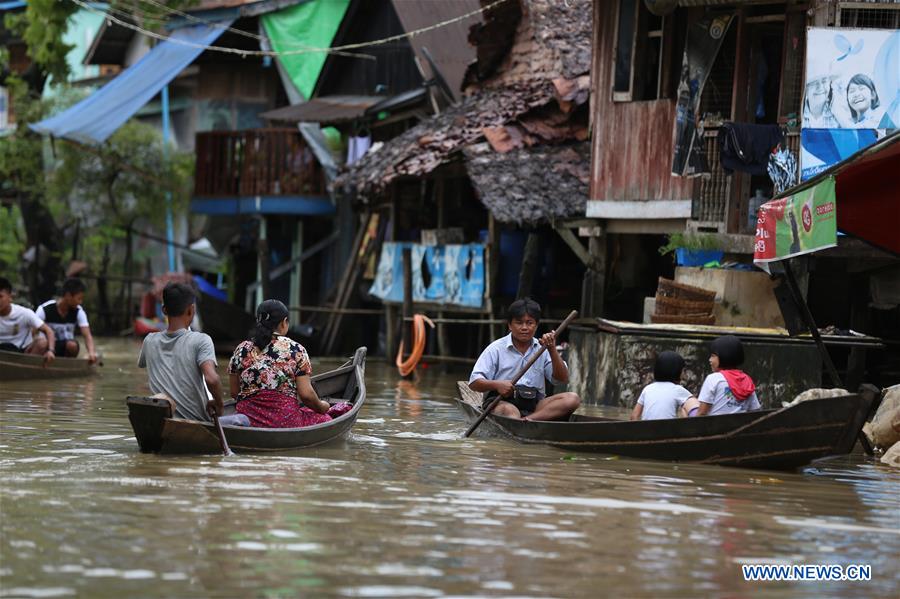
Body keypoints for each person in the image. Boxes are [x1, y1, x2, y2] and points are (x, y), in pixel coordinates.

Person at [228, 299, 351, 428]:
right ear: (284, 322)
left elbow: (234, 392)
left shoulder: (241, 349)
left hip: (248, 420)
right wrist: (322, 407)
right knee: (325, 419)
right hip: (284, 421)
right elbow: (306, 396)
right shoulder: (295, 349)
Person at [468, 298, 580, 421]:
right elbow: (474, 382)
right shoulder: (496, 348)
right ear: (510, 325)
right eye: (519, 323)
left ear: (536, 326)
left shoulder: (543, 348)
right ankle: (521, 422)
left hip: (534, 405)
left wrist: (552, 349)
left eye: (529, 323)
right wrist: (497, 384)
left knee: (572, 399)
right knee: (510, 412)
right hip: (501, 402)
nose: (524, 327)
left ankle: (528, 420)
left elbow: (562, 379)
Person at [138, 282, 225, 421]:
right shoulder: (202, 340)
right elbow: (212, 379)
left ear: (164, 310)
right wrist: (219, 405)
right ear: (191, 310)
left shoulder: (149, 341)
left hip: (162, 420)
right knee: (242, 420)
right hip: (197, 422)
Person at [684, 335, 760, 416]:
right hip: (740, 426)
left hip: (714, 427)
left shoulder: (713, 379)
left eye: (713, 356)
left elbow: (701, 413)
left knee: (686, 405)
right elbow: (755, 411)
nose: (710, 360)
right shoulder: (747, 380)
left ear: (724, 356)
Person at [35, 278, 98, 363]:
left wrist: (91, 352)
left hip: (66, 348)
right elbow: (32, 332)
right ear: (68, 296)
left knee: (72, 345)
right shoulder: (44, 309)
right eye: (79, 298)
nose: (80, 302)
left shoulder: (78, 311)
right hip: (46, 346)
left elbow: (87, 335)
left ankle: (66, 363)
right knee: (41, 343)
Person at [0, 276, 57, 364]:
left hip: (22, 352)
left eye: (0, 297)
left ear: (10, 297)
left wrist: (51, 351)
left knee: (42, 342)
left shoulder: (24, 313)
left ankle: (25, 368)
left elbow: (48, 331)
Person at [630, 351, 696, 421]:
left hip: (647, 430)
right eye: (683, 371)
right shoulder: (678, 390)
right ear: (676, 371)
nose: (683, 375)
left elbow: (634, 416)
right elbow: (696, 411)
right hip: (667, 430)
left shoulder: (647, 389)